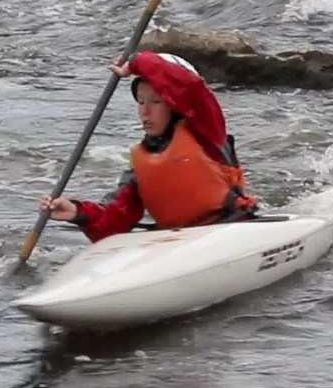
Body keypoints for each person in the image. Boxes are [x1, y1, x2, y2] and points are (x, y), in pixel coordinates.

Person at [39, 50, 258, 243]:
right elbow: (115, 218)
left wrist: (136, 62)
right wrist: (77, 212)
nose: (145, 111)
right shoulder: (142, 162)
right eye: (141, 102)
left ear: (175, 106)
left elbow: (189, 88)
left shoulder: (208, 133)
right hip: (180, 240)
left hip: (229, 227)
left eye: (156, 101)